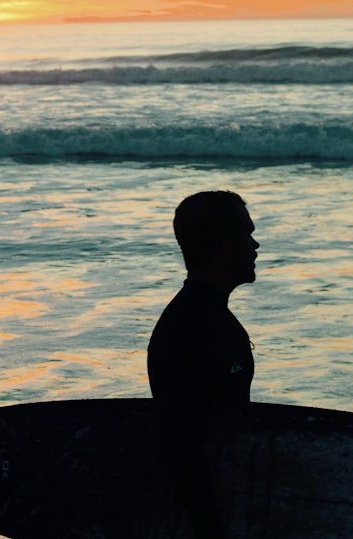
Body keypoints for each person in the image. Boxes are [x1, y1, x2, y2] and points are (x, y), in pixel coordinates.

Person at [147, 190, 259, 537]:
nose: (255, 246)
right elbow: (183, 447)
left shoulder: (207, 317)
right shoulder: (191, 328)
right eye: (247, 235)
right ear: (224, 244)